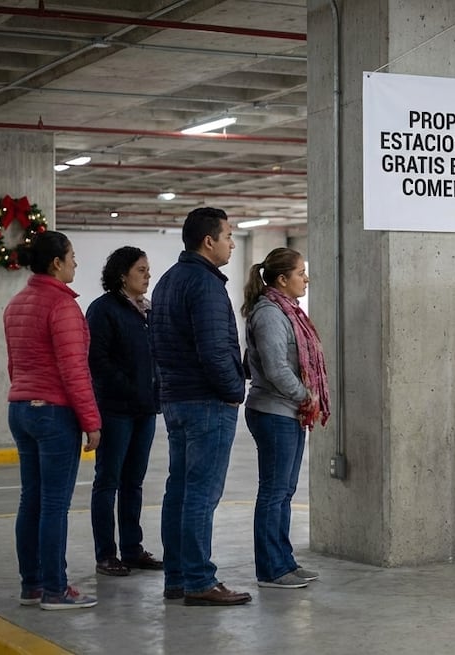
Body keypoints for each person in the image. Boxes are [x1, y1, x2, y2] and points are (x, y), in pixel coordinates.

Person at [150, 207, 250, 607]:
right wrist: (234, 390)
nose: (231, 244)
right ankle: (198, 580)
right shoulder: (205, 285)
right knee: (201, 494)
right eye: (227, 236)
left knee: (179, 490)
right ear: (208, 241)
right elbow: (214, 349)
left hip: (176, 399)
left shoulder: (168, 281)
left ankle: (177, 577)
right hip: (207, 401)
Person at [4, 230, 102, 610]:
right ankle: (55, 589)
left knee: (31, 499)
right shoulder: (62, 306)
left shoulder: (16, 303)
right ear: (56, 263)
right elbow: (74, 369)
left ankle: (31, 585)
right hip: (53, 413)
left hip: (21, 409)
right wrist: (91, 420)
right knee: (54, 504)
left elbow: (14, 364)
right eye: (72, 256)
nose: (76, 262)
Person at [241, 248, 330, 590]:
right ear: (282, 279)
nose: (306, 279)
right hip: (273, 411)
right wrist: (307, 396)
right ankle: (271, 570)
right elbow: (276, 368)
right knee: (274, 492)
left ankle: (284, 561)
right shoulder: (269, 314)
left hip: (288, 411)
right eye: (300, 273)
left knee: (285, 491)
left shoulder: (288, 311)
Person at [86, 246, 163, 577]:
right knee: (108, 481)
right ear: (122, 275)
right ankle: (106, 554)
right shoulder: (103, 310)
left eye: (148, 270)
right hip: (115, 409)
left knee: (134, 482)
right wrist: (130, 387)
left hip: (145, 409)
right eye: (141, 270)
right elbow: (97, 361)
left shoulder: (148, 311)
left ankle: (132, 549)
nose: (148, 275)